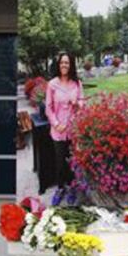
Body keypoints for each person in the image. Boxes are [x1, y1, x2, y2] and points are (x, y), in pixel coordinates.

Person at [45, 52, 83, 189]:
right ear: (58, 65)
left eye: (67, 62)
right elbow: (48, 108)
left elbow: (81, 102)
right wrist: (56, 124)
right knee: (60, 161)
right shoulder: (52, 84)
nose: (64, 65)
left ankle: (72, 187)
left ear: (71, 64)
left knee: (73, 160)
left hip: (73, 129)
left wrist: (77, 103)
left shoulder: (77, 83)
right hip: (59, 130)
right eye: (62, 62)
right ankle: (61, 188)